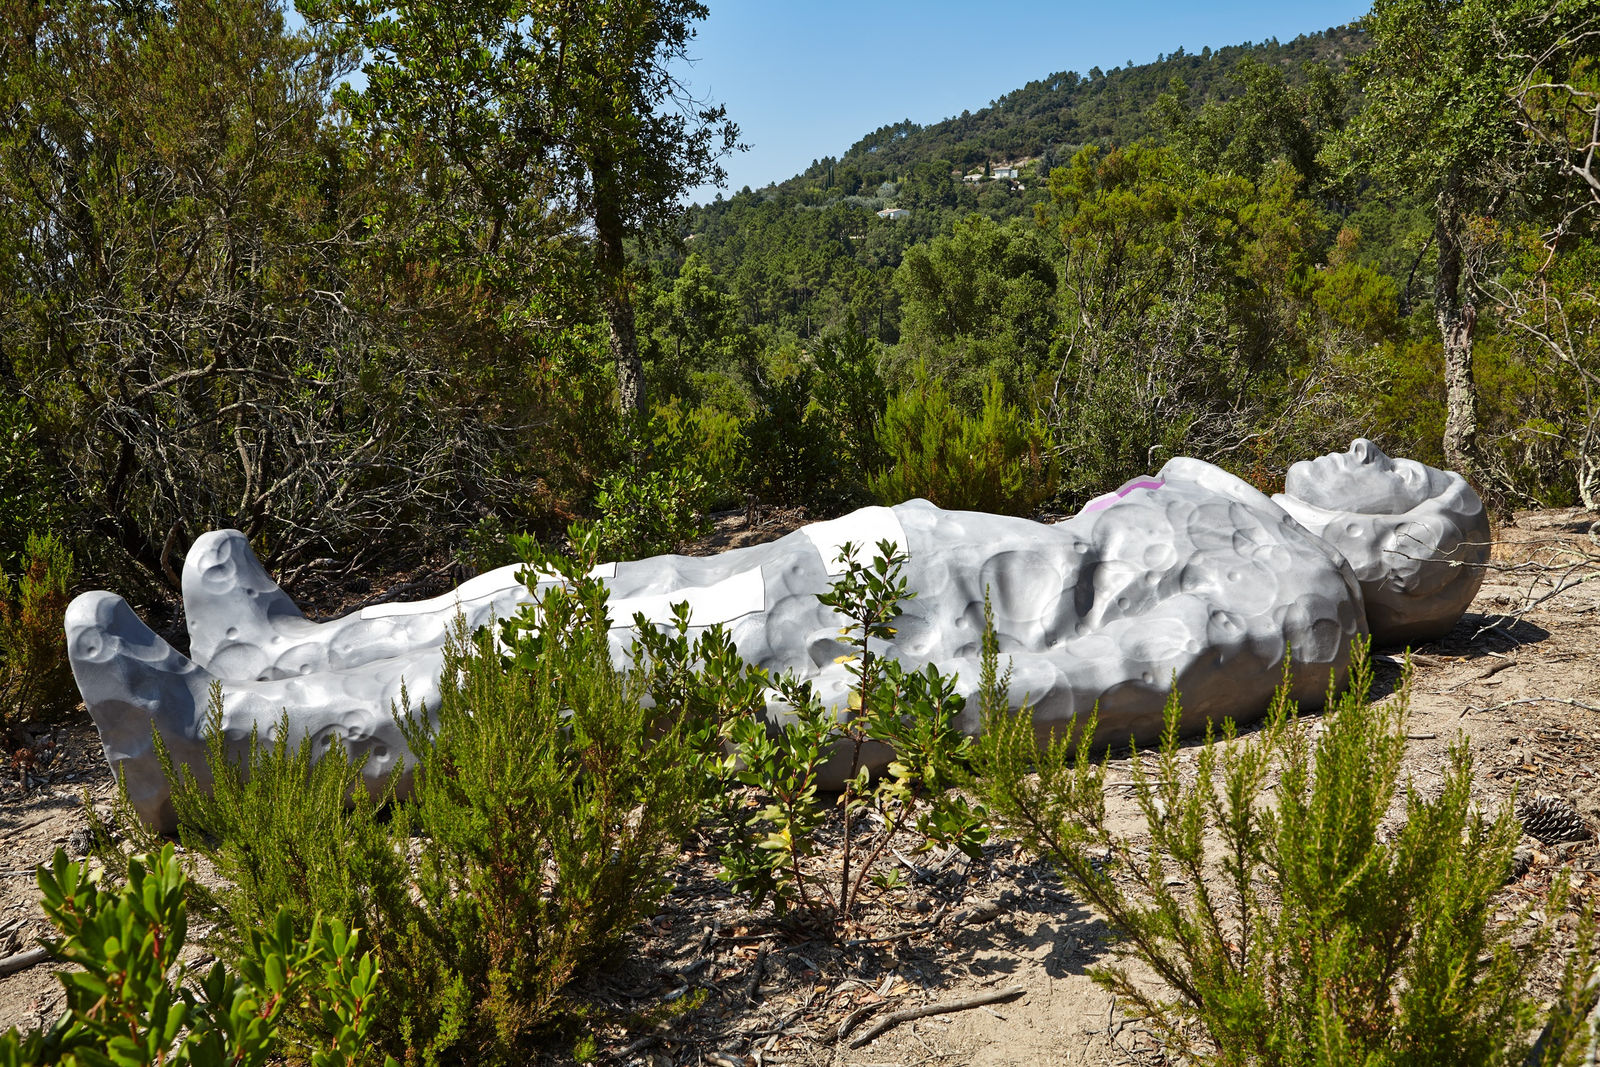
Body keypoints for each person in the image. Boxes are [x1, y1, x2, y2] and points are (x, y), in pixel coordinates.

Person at [68, 444, 1467, 830]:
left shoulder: (1300, 607)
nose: (1364, 450)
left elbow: (1102, 681)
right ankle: (292, 650)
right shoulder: (1240, 509)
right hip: (871, 560)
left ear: (1411, 554)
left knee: (605, 661)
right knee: (575, 598)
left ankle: (240, 751)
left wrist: (877, 709)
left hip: (887, 628)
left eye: (1399, 471)